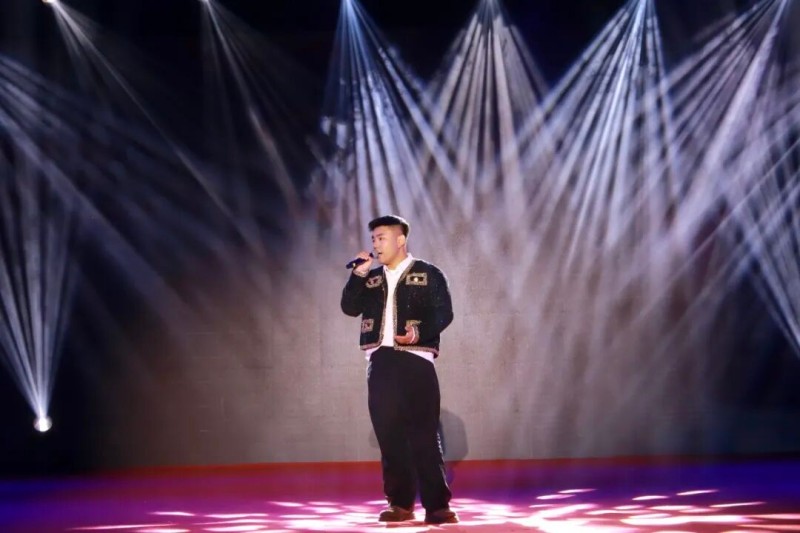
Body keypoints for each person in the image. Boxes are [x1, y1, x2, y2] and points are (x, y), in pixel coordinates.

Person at [340, 215, 458, 524]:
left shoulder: (428, 273)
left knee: (424, 434)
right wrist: (358, 276)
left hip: (416, 359)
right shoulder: (371, 278)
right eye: (373, 239)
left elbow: (444, 312)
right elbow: (349, 307)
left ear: (400, 239)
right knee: (389, 435)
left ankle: (437, 506)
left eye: (381, 238)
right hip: (380, 361)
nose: (376, 244)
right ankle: (400, 503)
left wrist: (418, 332)